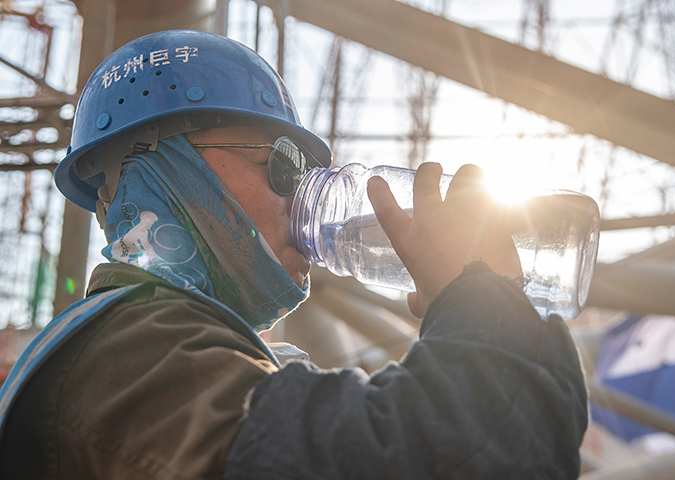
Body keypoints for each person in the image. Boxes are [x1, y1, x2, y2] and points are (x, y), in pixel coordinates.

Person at [0, 30, 587, 479]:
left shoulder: (194, 358)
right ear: (165, 168)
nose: (303, 193)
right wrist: (478, 296)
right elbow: (436, 456)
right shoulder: (127, 358)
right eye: (282, 164)